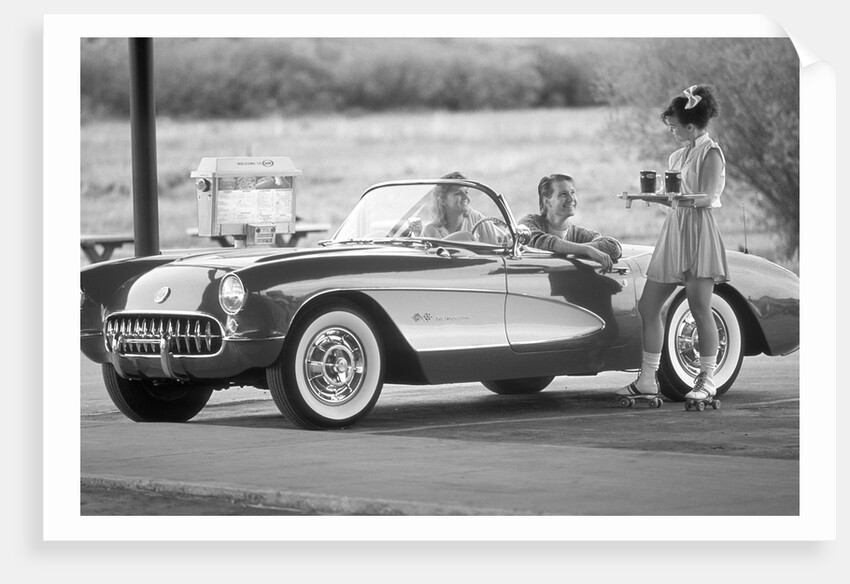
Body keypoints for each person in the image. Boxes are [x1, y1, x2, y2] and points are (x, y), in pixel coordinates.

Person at [616, 84, 729, 402]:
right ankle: (648, 378)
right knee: (648, 307)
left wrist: (677, 198)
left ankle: (706, 379)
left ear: (690, 125)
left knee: (699, 308)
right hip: (675, 230)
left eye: (673, 126)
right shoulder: (678, 155)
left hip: (699, 231)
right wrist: (650, 197)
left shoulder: (712, 153)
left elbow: (707, 197)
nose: (672, 132)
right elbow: (675, 200)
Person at [518, 173, 621, 271]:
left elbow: (613, 247)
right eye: (563, 194)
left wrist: (581, 249)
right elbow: (542, 242)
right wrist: (586, 250)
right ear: (547, 201)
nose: (571, 199)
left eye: (572, 192)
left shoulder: (579, 234)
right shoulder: (529, 223)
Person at [422, 171, 502, 244]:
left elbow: (502, 244)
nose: (466, 197)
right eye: (458, 193)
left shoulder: (478, 221)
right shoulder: (430, 231)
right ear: (443, 200)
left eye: (466, 192)